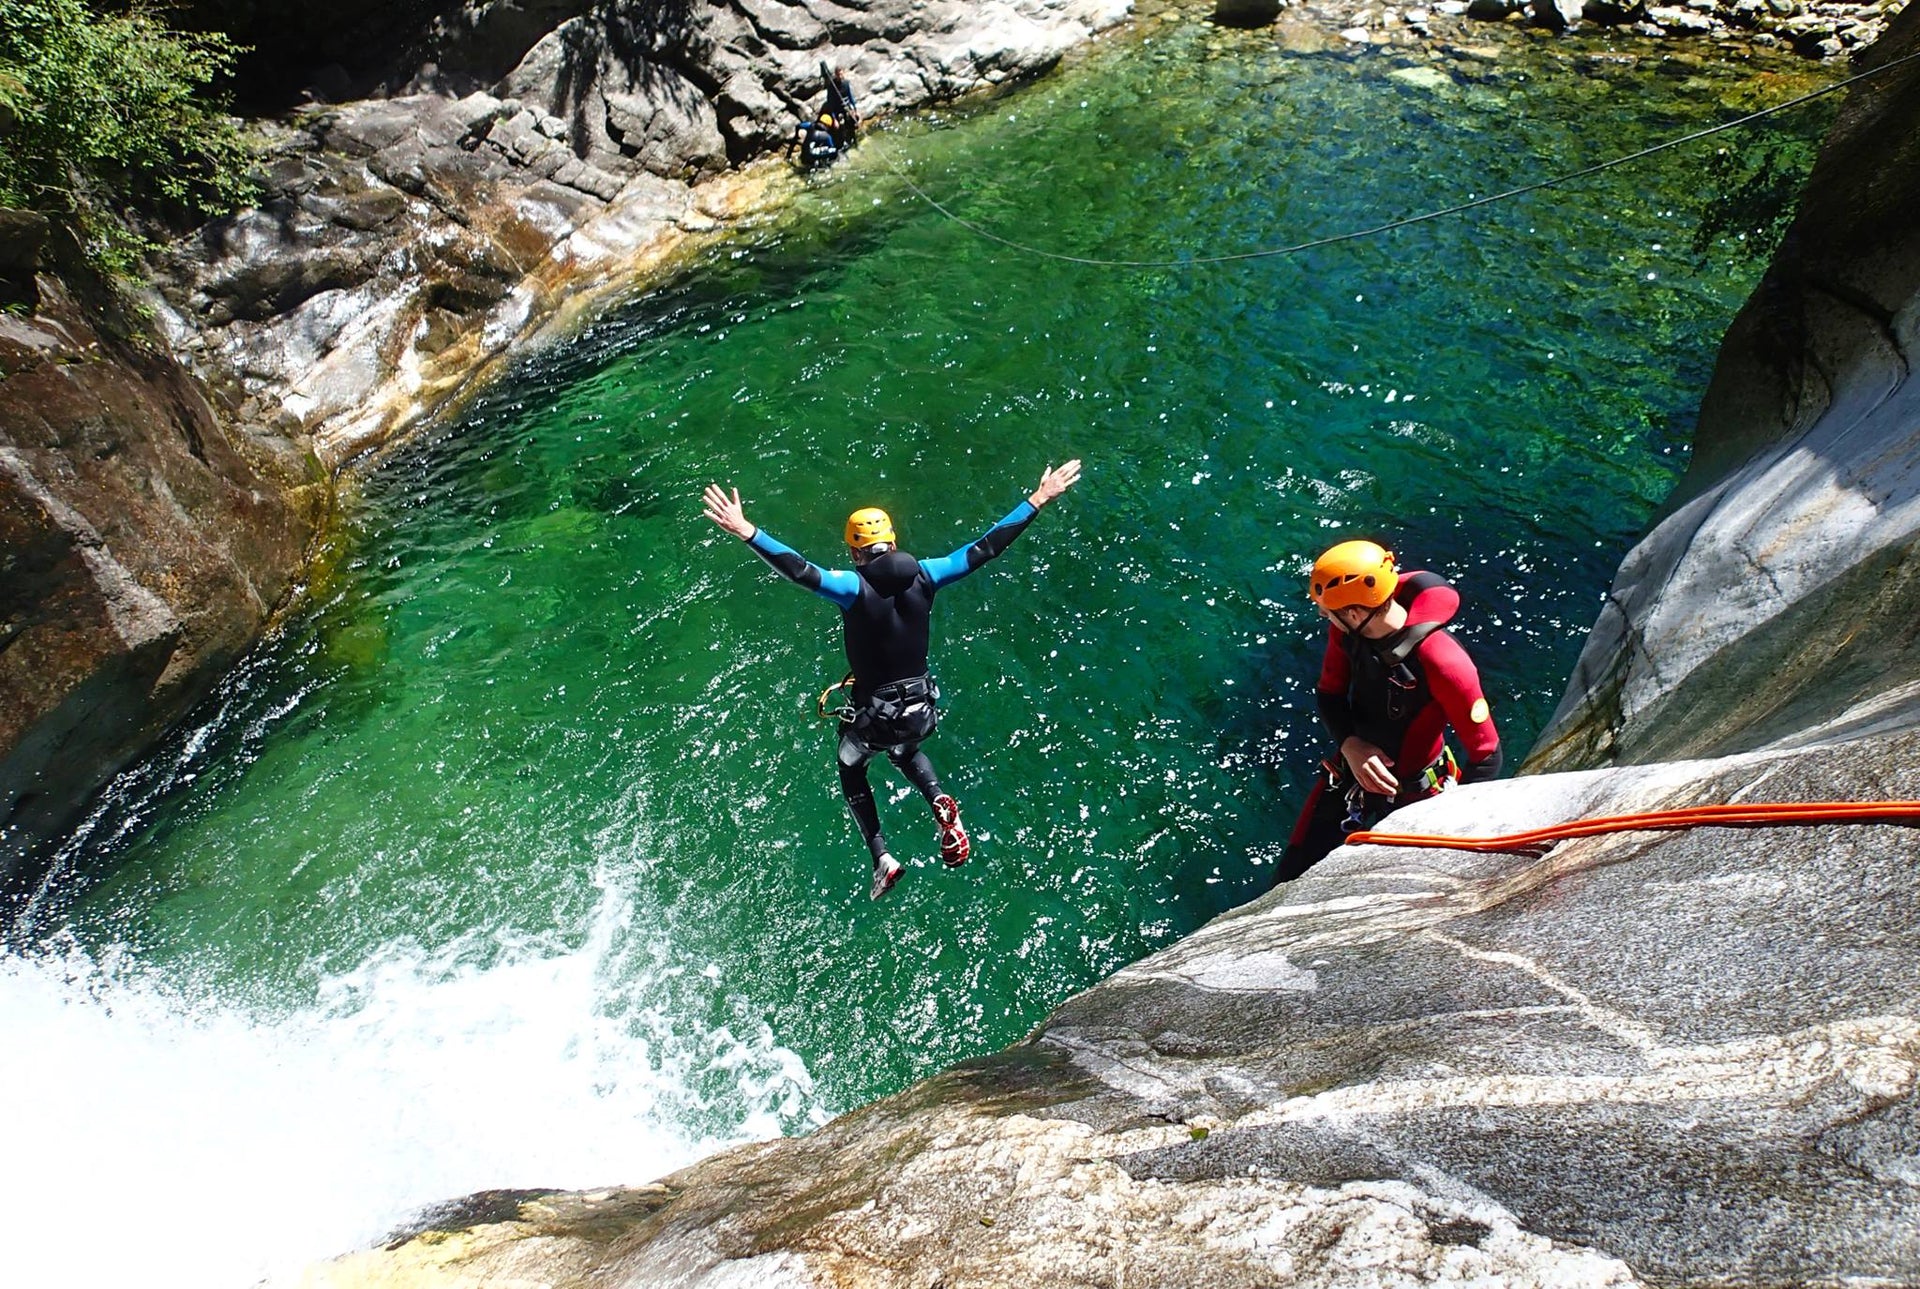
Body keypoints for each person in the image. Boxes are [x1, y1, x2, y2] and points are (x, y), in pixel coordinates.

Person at [702, 461, 1083, 899]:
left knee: (850, 767)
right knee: (905, 752)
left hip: (878, 717)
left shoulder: (852, 587)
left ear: (855, 552)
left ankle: (881, 858)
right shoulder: (929, 573)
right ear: (893, 542)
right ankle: (939, 801)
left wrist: (748, 531)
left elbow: (800, 570)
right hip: (922, 708)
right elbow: (985, 547)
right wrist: (1037, 499)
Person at [1278, 539, 1501, 882]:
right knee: (1291, 874)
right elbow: (1329, 694)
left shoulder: (1443, 662)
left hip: (1418, 793)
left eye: (1327, 612)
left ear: (1354, 613)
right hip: (1353, 771)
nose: (1324, 617)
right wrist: (1351, 745)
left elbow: (1487, 755)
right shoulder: (1347, 633)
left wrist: (1454, 820)